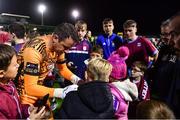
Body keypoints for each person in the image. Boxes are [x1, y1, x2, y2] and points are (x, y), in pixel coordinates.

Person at [16, 23, 80, 106]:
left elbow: (63, 69)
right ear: (55, 38)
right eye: (65, 47)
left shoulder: (58, 47)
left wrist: (79, 81)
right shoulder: (35, 49)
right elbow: (30, 87)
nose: (67, 51)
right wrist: (61, 92)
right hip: (23, 93)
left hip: (39, 88)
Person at [0, 44, 47, 119]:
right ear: (2, 73)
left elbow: (17, 109)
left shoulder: (9, 84)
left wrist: (28, 110)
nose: (18, 66)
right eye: (15, 65)